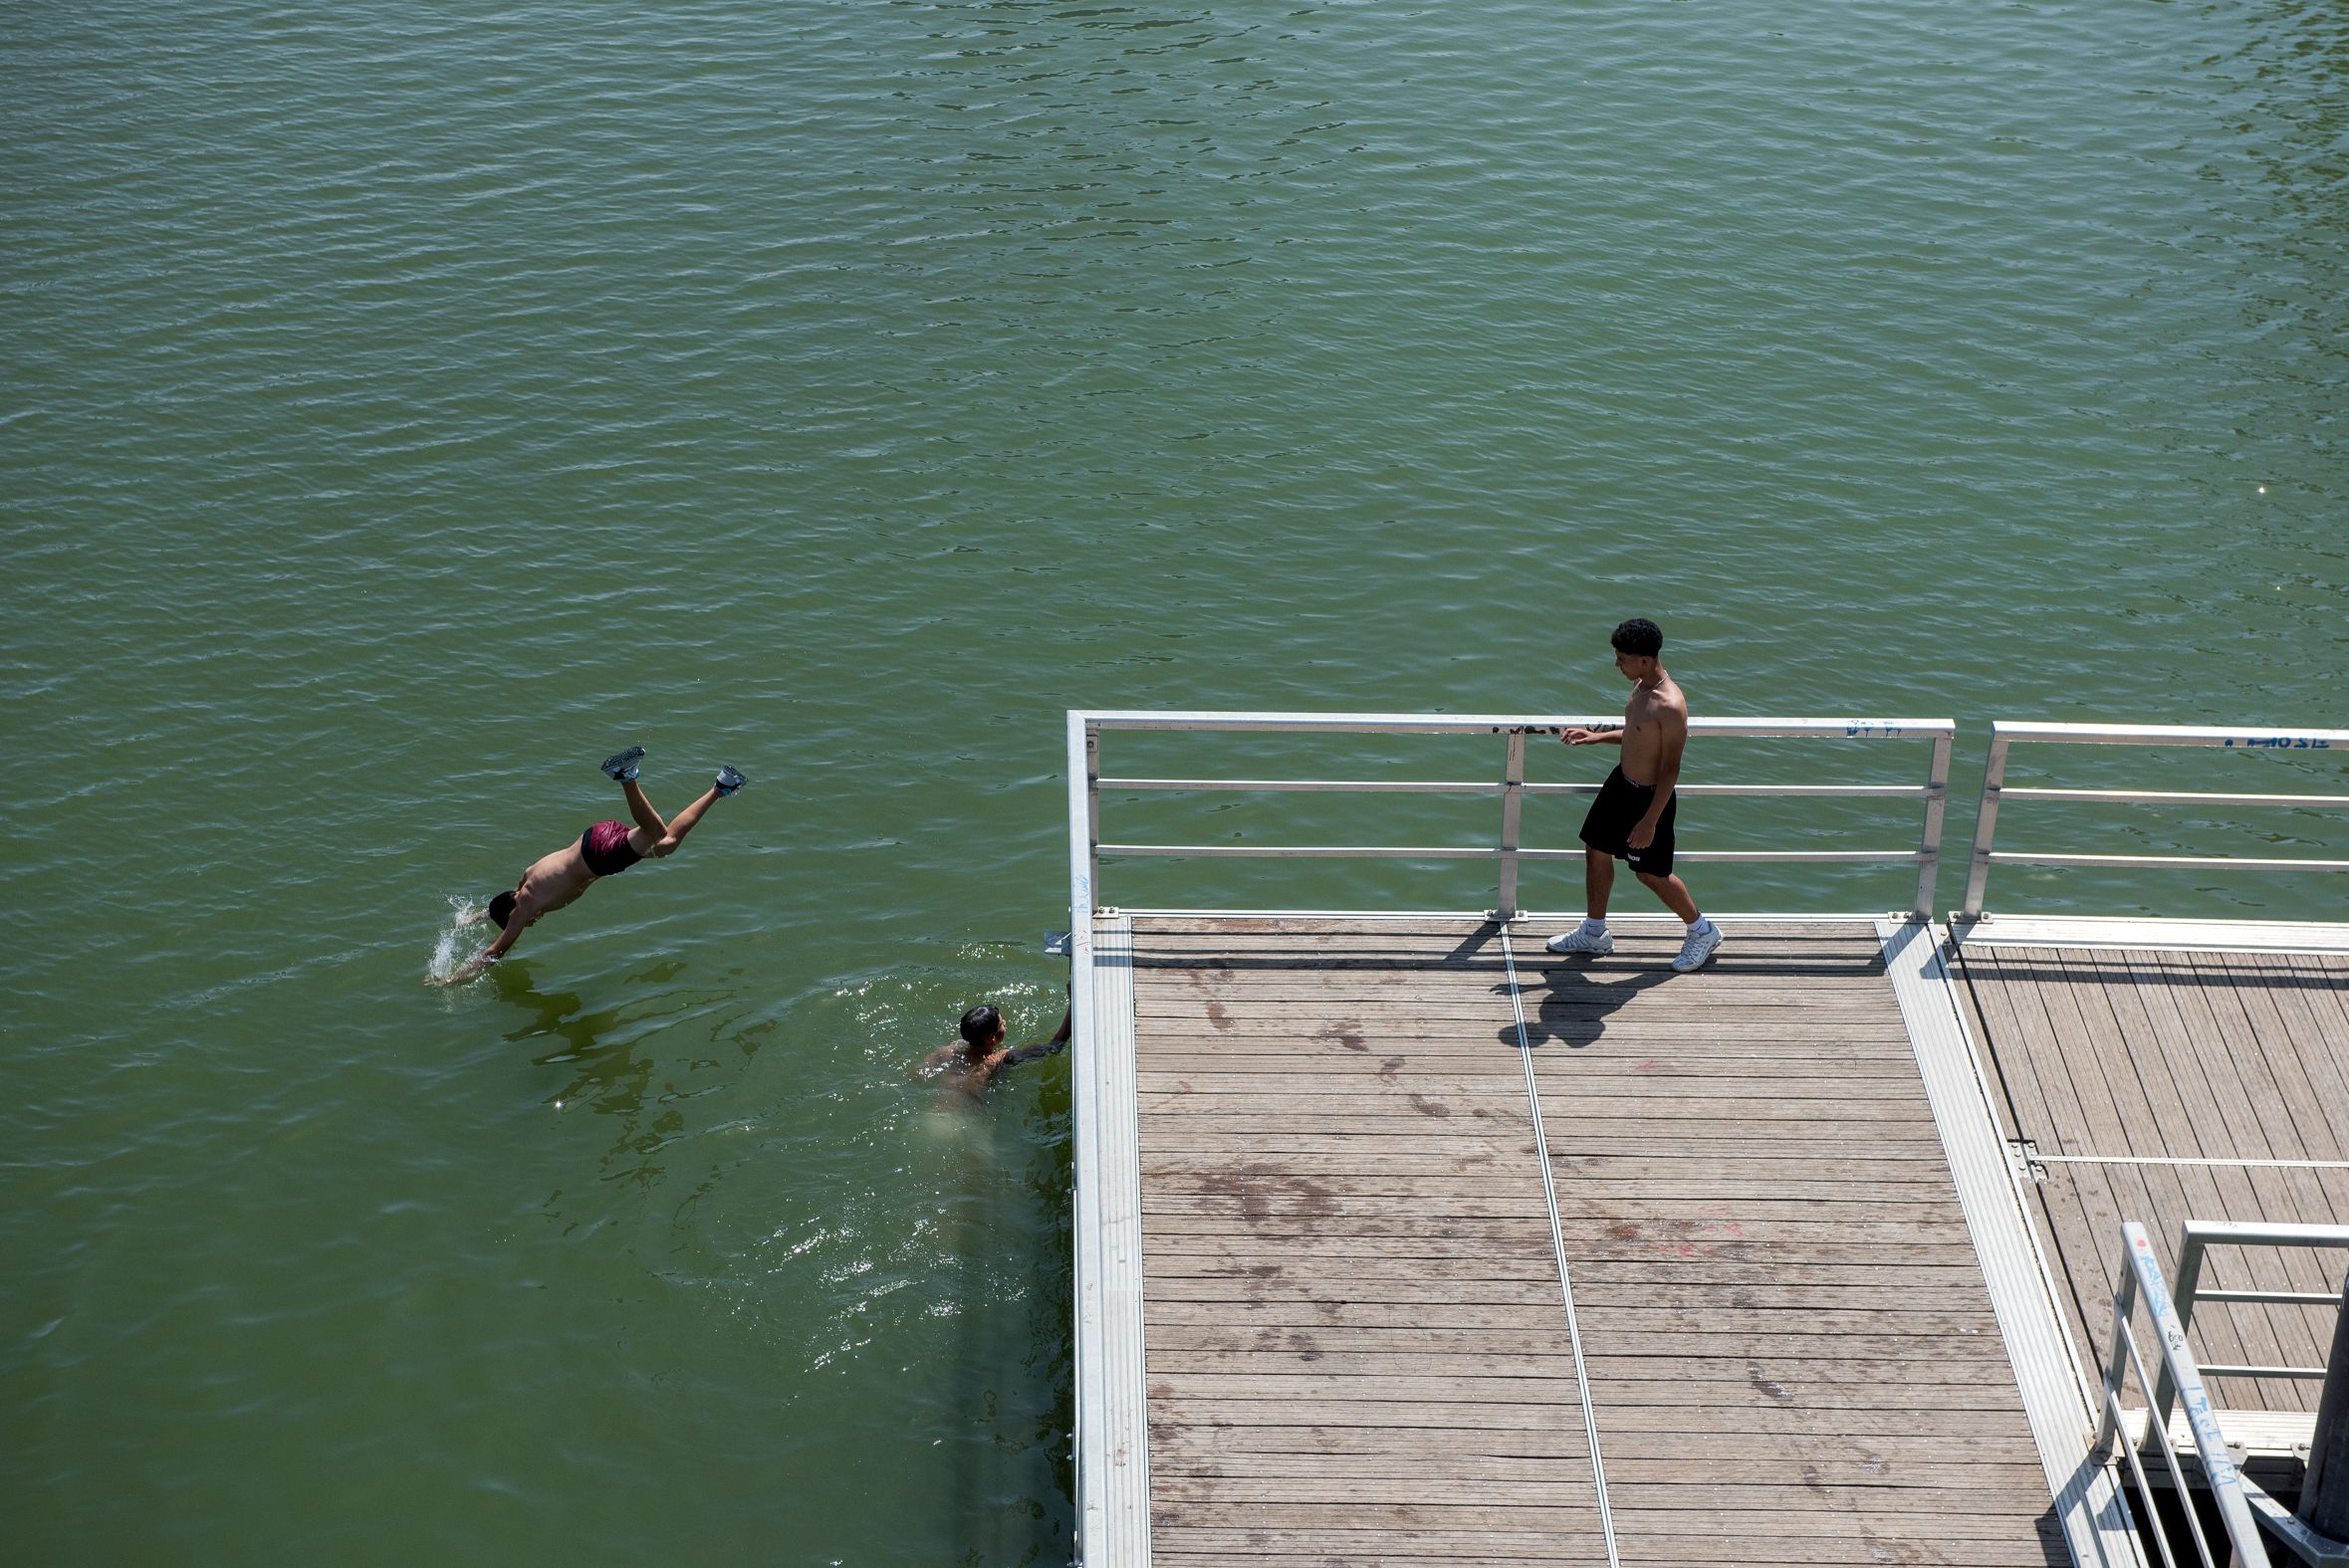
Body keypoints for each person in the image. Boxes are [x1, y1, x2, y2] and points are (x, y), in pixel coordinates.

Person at [433, 747, 746, 985]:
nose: (531, 923)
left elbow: (494, 952)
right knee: (667, 845)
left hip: (599, 856)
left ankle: (626, 777)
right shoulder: (526, 878)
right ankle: (722, 786)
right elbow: (499, 904)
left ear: (516, 915)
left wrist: (450, 979)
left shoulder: (525, 906)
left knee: (657, 832)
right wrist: (472, 918)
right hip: (594, 837)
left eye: (524, 922)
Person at [1546, 618, 1724, 973]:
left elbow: (1671, 767)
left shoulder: (1670, 704)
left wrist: (1649, 821)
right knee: (1596, 850)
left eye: (1623, 658)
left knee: (1650, 874)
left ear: (1645, 659)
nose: (1617, 664)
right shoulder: (1641, 686)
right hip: (1620, 784)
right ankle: (1595, 933)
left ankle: (1702, 931)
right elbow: (1637, 734)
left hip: (1649, 798)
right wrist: (1596, 737)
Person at [919, 1002, 1072, 1098]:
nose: (1005, 1022)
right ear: (992, 1038)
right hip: (963, 1119)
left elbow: (916, 1075)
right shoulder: (999, 1059)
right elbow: (1055, 1047)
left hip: (935, 1111)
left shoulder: (946, 1052)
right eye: (1001, 1023)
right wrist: (1074, 1004)